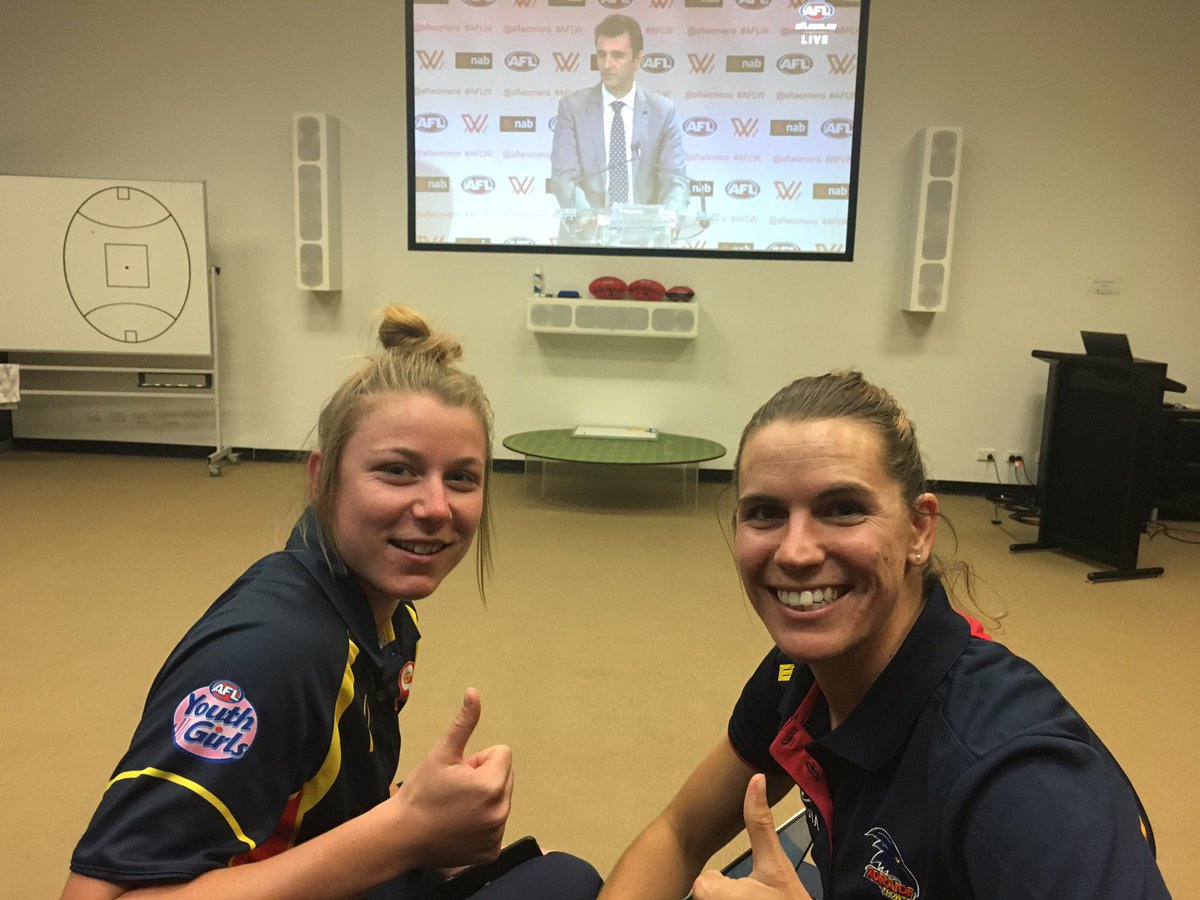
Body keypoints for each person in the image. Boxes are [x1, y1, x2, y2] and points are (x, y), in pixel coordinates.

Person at [63, 306, 602, 899]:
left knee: (563, 876)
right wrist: (406, 832)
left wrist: (426, 820)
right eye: (398, 470)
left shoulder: (387, 609)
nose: (436, 508)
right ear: (321, 477)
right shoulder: (273, 654)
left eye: (462, 478)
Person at [601, 371, 1169, 899]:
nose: (795, 552)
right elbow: (678, 834)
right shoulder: (797, 679)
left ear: (919, 529)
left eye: (843, 509)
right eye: (765, 513)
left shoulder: (1021, 782)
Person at [549, 13, 689, 223]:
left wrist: (669, 218)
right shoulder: (572, 108)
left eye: (617, 55)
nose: (607, 64)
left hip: (645, 239)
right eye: (601, 54)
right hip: (586, 240)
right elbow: (563, 178)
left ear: (638, 60)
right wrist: (588, 221)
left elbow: (676, 181)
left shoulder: (662, 111)